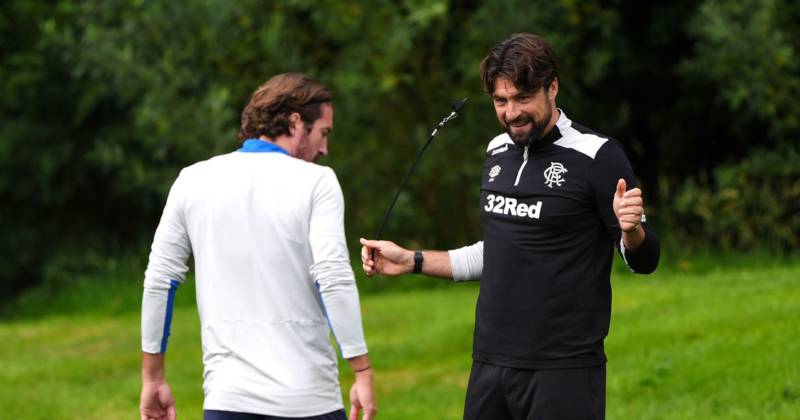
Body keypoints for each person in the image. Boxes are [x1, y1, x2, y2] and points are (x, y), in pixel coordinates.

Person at [360, 33, 660, 420]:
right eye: (500, 101)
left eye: (522, 98)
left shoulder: (598, 156)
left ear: (552, 87)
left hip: (563, 370)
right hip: (490, 364)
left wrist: (631, 231)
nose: (511, 112)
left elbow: (646, 260)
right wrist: (411, 261)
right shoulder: (496, 151)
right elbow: (498, 253)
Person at [140, 73, 377, 420]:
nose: (324, 149)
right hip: (309, 400)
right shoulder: (318, 182)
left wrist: (153, 378)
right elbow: (333, 277)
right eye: (323, 133)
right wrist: (362, 370)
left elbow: (160, 281)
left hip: (227, 401)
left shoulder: (193, 180)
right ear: (296, 123)